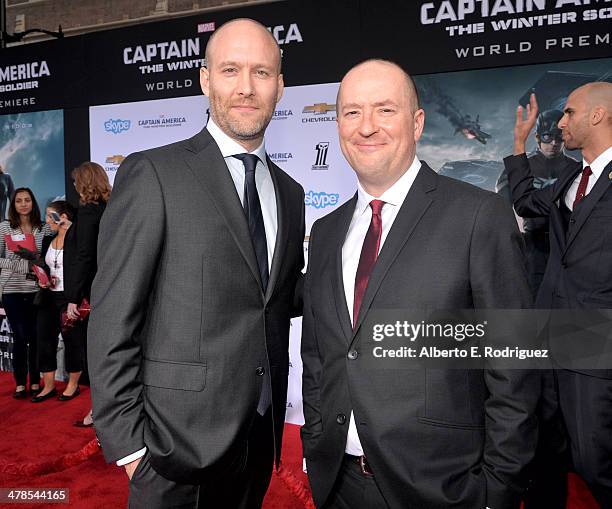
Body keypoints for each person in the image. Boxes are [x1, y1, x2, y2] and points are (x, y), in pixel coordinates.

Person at [301, 59, 538, 509]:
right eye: (352, 112)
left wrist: (497, 489)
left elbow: (515, 365)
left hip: (445, 488)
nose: (366, 126)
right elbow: (319, 355)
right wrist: (317, 441)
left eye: (384, 110)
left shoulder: (478, 215)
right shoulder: (327, 230)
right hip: (339, 486)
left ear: (417, 123)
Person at [88, 18, 305, 509]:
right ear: (206, 80)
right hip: (172, 449)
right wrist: (130, 445)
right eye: (230, 70)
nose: (246, 88)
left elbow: (273, 295)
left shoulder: (290, 192)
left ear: (281, 86)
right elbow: (113, 316)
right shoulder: (154, 173)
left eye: (262, 73)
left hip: (257, 440)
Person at [504, 82, 612, 508]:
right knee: (543, 457)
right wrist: (517, 142)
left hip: (595, 344)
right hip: (548, 340)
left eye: (569, 113)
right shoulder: (572, 176)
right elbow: (527, 203)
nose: (561, 122)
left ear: (598, 116)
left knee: (595, 462)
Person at [496, 109, 578, 296]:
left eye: (559, 137)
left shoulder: (577, 169)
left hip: (570, 246)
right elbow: (499, 212)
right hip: (534, 246)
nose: (554, 143)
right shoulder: (520, 168)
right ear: (538, 137)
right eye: (548, 137)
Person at [64, 161, 111, 427]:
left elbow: (84, 257)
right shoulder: (110, 208)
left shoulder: (89, 213)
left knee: (98, 357)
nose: (74, 186)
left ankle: (100, 412)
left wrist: (73, 297)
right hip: (110, 290)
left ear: (84, 183)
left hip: (95, 294)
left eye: (75, 182)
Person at [32, 200, 87, 403]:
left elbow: (83, 266)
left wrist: (67, 225)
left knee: (72, 341)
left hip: (69, 298)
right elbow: (46, 266)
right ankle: (48, 386)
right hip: (48, 297)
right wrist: (43, 278)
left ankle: (73, 386)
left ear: (63, 217)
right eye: (46, 215)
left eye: (51, 216)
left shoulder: (77, 240)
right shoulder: (48, 240)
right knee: (44, 339)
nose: (47, 220)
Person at [0, 188, 51, 398]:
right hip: (11, 289)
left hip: (36, 290)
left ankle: (36, 381)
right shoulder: (4, 227)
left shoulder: (44, 228)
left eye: (27, 200)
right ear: (13, 204)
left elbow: (49, 258)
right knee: (20, 337)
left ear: (33, 202)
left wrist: (36, 262)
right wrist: (25, 266)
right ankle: (21, 382)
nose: (23, 204)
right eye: (19, 200)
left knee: (35, 337)